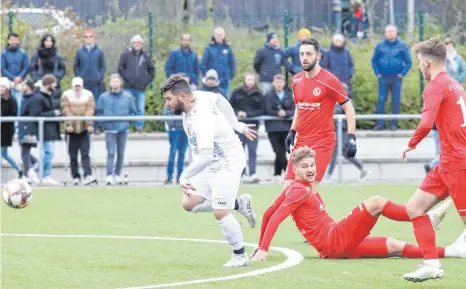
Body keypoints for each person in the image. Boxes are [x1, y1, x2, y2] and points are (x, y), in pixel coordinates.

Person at [250, 146, 465, 262]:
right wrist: (264, 248)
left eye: (312, 165)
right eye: (304, 166)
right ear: (295, 170)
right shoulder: (298, 189)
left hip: (338, 247)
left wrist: (260, 245)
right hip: (334, 240)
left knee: (395, 246)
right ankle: (424, 217)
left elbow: (268, 212)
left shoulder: (296, 188)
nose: (310, 169)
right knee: (375, 202)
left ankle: (452, 251)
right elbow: (275, 217)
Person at [160, 74, 257, 267]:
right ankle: (239, 203)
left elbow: (205, 156)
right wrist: (236, 124)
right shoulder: (198, 96)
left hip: (227, 162)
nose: (167, 104)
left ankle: (240, 256)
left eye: (168, 99)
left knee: (221, 212)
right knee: (190, 203)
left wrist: (184, 175)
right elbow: (219, 99)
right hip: (209, 161)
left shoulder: (201, 118)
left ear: (181, 97)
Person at [401, 38, 466, 282]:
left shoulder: (435, 87)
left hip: (457, 164)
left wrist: (410, 144)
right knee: (414, 208)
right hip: (447, 163)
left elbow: (427, 123)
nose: (419, 67)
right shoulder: (455, 84)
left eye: (419, 62)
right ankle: (431, 264)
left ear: (427, 62)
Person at [284, 38, 357, 192]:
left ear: (318, 56)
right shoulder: (296, 80)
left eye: (309, 54)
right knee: (288, 188)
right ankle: (321, 215)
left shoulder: (329, 80)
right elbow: (300, 107)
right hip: (302, 141)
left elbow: (348, 107)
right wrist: (292, 131)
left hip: (322, 141)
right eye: (302, 54)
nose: (305, 57)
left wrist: (351, 136)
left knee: (305, 191)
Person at [97, 74, 136, 185]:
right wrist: (103, 122)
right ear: (110, 83)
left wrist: (128, 121)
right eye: (113, 81)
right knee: (110, 152)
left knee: (121, 153)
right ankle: (109, 175)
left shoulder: (127, 97)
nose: (115, 84)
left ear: (120, 83)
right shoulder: (103, 97)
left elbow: (133, 111)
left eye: (117, 81)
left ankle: (118, 174)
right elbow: (98, 112)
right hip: (109, 129)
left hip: (123, 129)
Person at [371, 25, 412, 130]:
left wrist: (402, 73)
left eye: (392, 31)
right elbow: (374, 60)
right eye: (388, 31)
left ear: (396, 32)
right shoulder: (380, 45)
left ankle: (394, 124)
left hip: (396, 78)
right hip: (383, 78)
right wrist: (377, 73)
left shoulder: (402, 45)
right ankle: (380, 124)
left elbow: (408, 61)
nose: (390, 33)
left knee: (395, 101)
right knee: (381, 100)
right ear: (385, 33)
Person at [325, 84, 368, 182]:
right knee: (345, 153)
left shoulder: (347, 102)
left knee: (335, 152)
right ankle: (362, 168)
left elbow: (347, 116)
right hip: (335, 130)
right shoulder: (334, 101)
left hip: (343, 130)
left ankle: (328, 175)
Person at [27, 74, 62, 185]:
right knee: (48, 153)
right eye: (54, 83)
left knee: (49, 153)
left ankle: (46, 175)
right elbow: (36, 114)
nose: (56, 85)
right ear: (48, 84)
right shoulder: (38, 97)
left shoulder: (47, 96)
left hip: (50, 129)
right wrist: (53, 113)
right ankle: (34, 170)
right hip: (44, 129)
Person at [61, 77, 97, 186]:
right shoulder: (66, 95)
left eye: (79, 86)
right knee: (73, 155)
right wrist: (69, 124)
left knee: (85, 153)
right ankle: (75, 176)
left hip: (84, 128)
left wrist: (89, 124)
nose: (77, 88)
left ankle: (87, 175)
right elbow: (66, 110)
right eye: (75, 86)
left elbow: (89, 110)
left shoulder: (88, 95)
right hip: (71, 130)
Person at [229, 72, 264, 183]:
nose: (250, 82)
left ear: (255, 81)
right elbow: (230, 108)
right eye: (248, 79)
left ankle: (253, 173)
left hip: (253, 126)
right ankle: (242, 173)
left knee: (252, 151)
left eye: (252, 80)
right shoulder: (236, 93)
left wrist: (248, 114)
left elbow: (262, 110)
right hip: (239, 127)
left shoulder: (259, 94)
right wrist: (238, 113)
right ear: (244, 80)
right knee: (240, 151)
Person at [118, 34, 155, 133]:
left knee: (140, 108)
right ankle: (126, 127)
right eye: (135, 42)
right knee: (127, 107)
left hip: (141, 88)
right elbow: (120, 68)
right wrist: (127, 79)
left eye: (139, 42)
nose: (137, 44)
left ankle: (139, 127)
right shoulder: (125, 55)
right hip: (128, 87)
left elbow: (152, 71)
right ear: (132, 44)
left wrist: (145, 82)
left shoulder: (146, 56)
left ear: (142, 44)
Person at [73, 29, 106, 134]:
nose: (88, 39)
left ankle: (97, 126)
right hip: (84, 84)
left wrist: (99, 76)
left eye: (90, 36)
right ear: (84, 39)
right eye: (86, 37)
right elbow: (76, 66)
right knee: (83, 105)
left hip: (96, 84)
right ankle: (85, 127)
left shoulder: (99, 52)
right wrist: (79, 78)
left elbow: (102, 66)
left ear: (93, 38)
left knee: (96, 105)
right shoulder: (80, 52)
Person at [264, 73, 294, 182]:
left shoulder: (289, 94)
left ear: (284, 83)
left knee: (282, 151)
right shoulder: (268, 95)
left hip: (286, 128)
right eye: (277, 82)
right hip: (273, 128)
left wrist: (285, 113)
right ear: (273, 83)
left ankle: (277, 174)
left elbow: (294, 109)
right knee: (279, 151)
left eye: (281, 82)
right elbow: (267, 109)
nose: (279, 84)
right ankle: (288, 173)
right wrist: (277, 113)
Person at [200, 27, 235, 98]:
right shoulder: (209, 49)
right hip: (211, 82)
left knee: (225, 102)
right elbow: (203, 64)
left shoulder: (228, 48)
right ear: (214, 36)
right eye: (217, 35)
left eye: (221, 35)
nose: (219, 36)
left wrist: (230, 76)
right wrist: (207, 77)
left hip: (225, 82)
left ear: (224, 35)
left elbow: (232, 64)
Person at [18, 80, 40, 184]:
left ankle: (28, 173)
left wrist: (31, 131)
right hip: (22, 128)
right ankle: (33, 166)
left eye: (24, 85)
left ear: (29, 86)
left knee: (25, 151)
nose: (22, 87)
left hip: (29, 129)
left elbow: (32, 114)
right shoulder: (23, 98)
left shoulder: (33, 99)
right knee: (24, 151)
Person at [0, 77, 23, 178]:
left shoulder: (12, 100)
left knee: (1, 152)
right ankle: (19, 168)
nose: (1, 88)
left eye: (3, 86)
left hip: (6, 130)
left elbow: (14, 114)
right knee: (4, 154)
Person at [1, 32, 29, 111]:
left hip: (20, 83)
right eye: (11, 40)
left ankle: (17, 122)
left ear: (18, 41)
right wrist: (13, 78)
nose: (13, 42)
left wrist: (20, 77)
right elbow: (2, 68)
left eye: (15, 40)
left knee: (19, 104)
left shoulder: (23, 53)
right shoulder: (3, 53)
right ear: (8, 41)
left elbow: (26, 67)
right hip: (7, 83)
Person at [163, 104, 188, 185]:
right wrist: (173, 126)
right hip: (174, 130)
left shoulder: (186, 98)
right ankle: (169, 177)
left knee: (182, 154)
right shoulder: (171, 97)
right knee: (173, 153)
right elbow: (167, 113)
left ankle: (179, 178)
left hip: (184, 130)